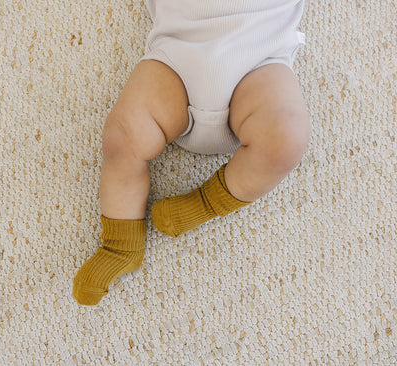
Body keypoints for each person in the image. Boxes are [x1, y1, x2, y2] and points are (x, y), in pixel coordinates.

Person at [73, 0, 311, 305]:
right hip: (177, 58)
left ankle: (208, 202)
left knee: (286, 139)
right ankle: (121, 244)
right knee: (122, 137)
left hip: (259, 59)